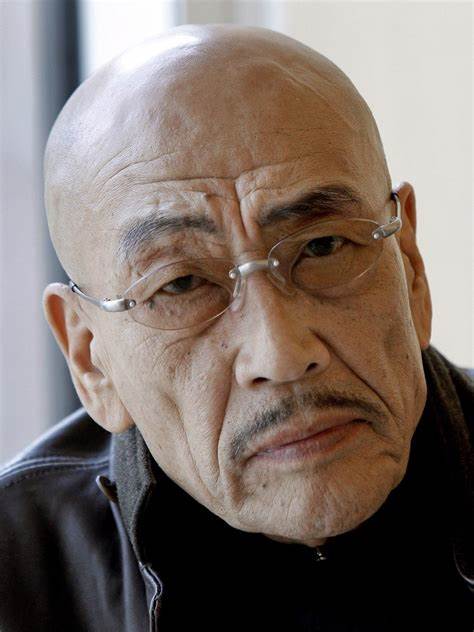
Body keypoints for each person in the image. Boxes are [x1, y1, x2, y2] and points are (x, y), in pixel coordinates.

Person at [0, 23, 472, 632]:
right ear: (91, 361)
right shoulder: (18, 577)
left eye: (324, 246)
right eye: (180, 284)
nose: (281, 353)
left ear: (409, 267)